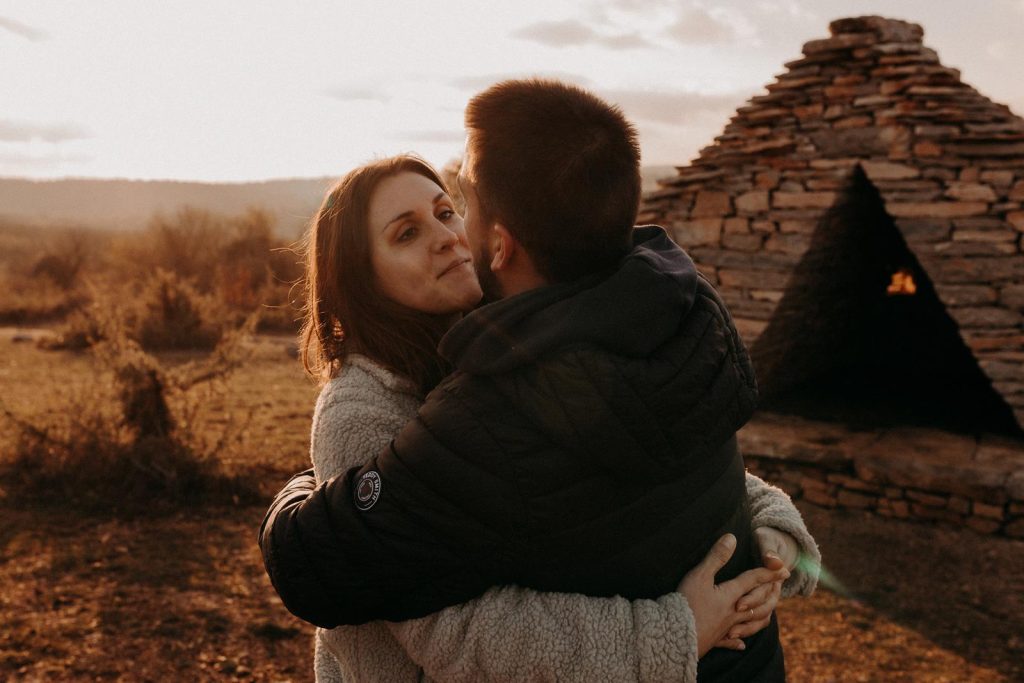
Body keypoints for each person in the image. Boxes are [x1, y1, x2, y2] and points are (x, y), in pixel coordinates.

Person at [262, 80, 821, 681]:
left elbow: (654, 455)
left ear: (499, 247)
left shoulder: (515, 354)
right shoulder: (364, 410)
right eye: (406, 233)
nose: (448, 234)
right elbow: (444, 626)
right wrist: (674, 628)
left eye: (448, 210)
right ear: (360, 277)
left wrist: (769, 521)